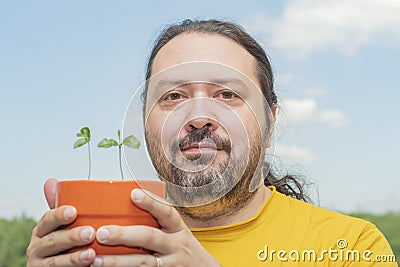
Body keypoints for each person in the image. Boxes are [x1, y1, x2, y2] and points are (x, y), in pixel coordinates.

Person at [27, 19, 397, 266]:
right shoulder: (103, 243)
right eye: (173, 96)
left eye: (226, 95)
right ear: (145, 123)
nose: (198, 117)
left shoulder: (351, 246)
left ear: (270, 125)